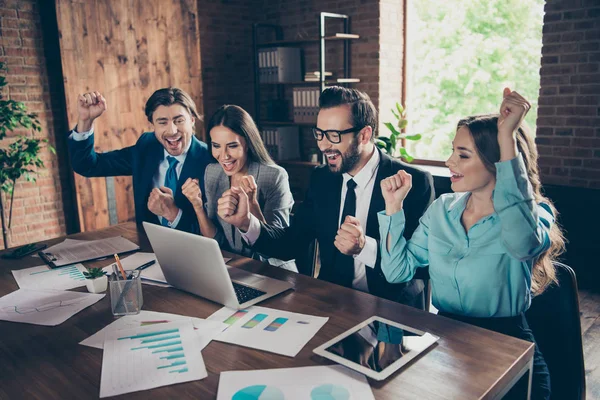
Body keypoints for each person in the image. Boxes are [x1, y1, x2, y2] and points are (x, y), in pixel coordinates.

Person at [378, 88, 565, 399]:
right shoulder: (442, 210)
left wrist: (507, 135)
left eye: (463, 155)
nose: (449, 160)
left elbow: (521, 244)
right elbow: (397, 271)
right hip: (443, 340)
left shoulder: (534, 214)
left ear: (497, 163)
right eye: (453, 150)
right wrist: (393, 207)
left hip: (507, 347)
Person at [218, 86, 435, 307]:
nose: (322, 145)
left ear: (364, 135)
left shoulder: (414, 183)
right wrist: (246, 222)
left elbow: (421, 267)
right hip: (333, 303)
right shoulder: (322, 179)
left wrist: (364, 248)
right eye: (320, 134)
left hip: (391, 310)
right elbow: (290, 243)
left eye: (334, 135)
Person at [67, 88, 212, 233]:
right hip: (147, 248)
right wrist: (85, 121)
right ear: (153, 125)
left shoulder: (210, 161)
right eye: (162, 122)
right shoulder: (147, 147)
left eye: (179, 120)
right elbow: (88, 165)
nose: (172, 131)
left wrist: (173, 214)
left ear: (192, 120)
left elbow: (217, 234)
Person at [181, 105, 294, 267]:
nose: (224, 156)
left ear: (248, 143)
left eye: (232, 146)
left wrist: (252, 204)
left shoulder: (274, 176)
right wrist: (198, 206)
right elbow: (215, 241)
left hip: (272, 271)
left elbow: (275, 247)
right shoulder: (212, 172)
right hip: (232, 269)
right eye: (216, 146)